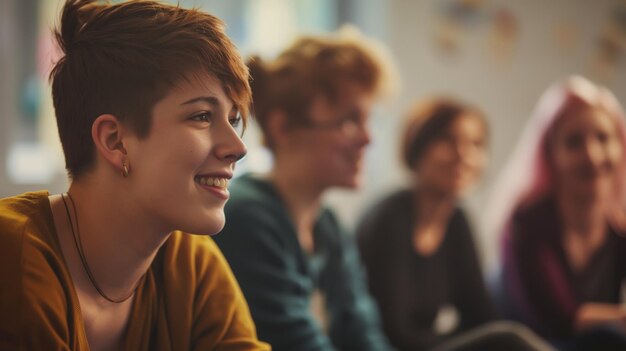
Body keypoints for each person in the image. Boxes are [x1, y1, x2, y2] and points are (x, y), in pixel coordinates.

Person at [0, 0, 269, 350]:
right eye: (202, 116)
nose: (238, 147)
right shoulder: (12, 255)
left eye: (233, 120)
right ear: (116, 141)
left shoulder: (190, 264)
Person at [213, 31, 395, 350]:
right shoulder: (247, 217)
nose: (368, 139)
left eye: (369, 121)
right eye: (350, 121)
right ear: (283, 127)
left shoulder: (329, 226)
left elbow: (365, 335)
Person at [356, 97, 554, 351]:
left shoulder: (457, 221)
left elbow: (481, 315)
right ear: (418, 146)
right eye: (448, 140)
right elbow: (396, 331)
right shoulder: (388, 218)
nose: (464, 155)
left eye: (476, 144)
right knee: (509, 340)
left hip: (427, 344)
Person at [487, 76, 626, 350]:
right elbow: (559, 322)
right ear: (551, 154)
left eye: (603, 138)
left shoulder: (619, 230)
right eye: (574, 142)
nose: (593, 155)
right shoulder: (526, 225)